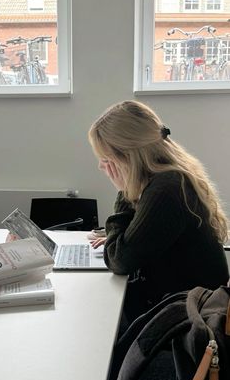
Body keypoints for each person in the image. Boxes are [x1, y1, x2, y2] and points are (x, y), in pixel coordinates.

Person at [88, 100, 229, 328]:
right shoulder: (171, 177)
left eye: (106, 159)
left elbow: (120, 260)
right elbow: (146, 240)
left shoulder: (166, 189)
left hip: (185, 320)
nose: (101, 167)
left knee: (93, 318)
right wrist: (127, 234)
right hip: (187, 303)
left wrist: (124, 191)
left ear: (128, 156)